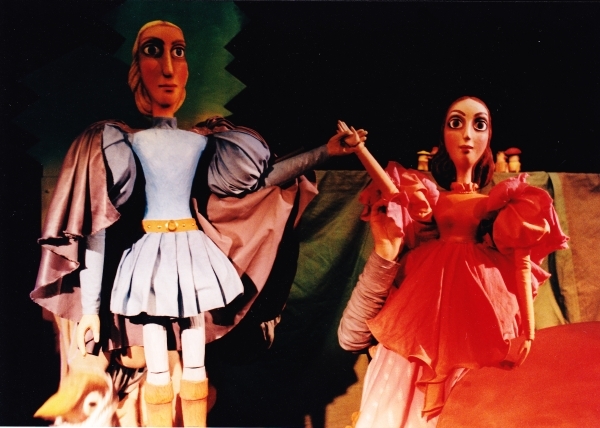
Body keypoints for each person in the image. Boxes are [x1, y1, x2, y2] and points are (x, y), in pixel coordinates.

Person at [31, 20, 365, 427]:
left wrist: (324, 152)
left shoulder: (206, 142)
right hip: (149, 256)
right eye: (153, 51)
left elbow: (262, 181)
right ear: (137, 69)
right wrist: (92, 309)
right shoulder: (120, 143)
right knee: (157, 362)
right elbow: (98, 225)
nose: (168, 68)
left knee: (194, 363)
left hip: (191, 251)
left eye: (179, 52)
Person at [337, 96, 568, 427]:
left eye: (479, 125)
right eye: (455, 123)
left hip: (478, 296)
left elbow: (520, 263)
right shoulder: (427, 202)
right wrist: (361, 150)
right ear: (442, 136)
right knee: (411, 360)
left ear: (489, 138)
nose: (467, 135)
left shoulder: (501, 205)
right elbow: (392, 190)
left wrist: (528, 333)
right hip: (425, 293)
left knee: (472, 373)